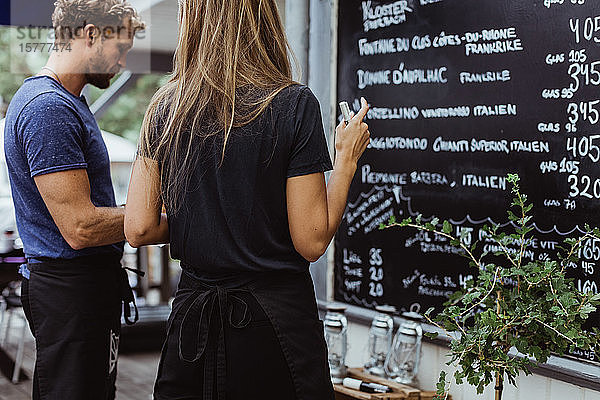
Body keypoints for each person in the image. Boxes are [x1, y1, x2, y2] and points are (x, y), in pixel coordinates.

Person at [125, 0, 370, 399]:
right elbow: (311, 240)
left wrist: (204, 222)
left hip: (192, 324)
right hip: (272, 326)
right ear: (263, 20)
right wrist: (345, 161)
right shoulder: (293, 104)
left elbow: (138, 228)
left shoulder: (164, 108)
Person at [3, 1, 144, 398]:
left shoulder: (69, 102)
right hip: (69, 293)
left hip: (87, 289)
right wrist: (162, 217)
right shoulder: (48, 108)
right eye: (121, 47)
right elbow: (80, 227)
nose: (122, 61)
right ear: (92, 34)